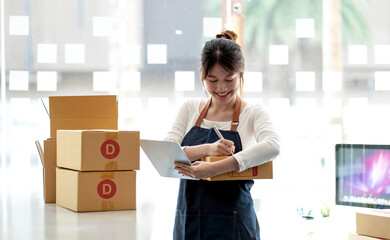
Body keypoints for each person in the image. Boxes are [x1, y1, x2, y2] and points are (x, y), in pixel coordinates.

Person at [164, 30, 280, 240]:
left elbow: (273, 146)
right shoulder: (189, 109)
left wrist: (214, 168)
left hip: (236, 225)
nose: (221, 88)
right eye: (212, 80)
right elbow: (165, 154)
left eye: (229, 79)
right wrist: (208, 149)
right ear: (202, 76)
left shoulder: (253, 113)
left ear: (241, 73)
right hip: (189, 221)